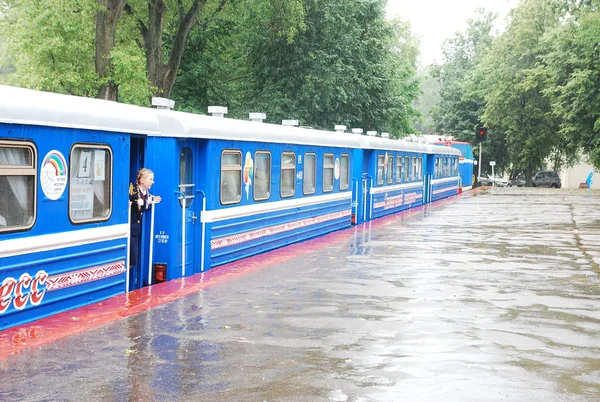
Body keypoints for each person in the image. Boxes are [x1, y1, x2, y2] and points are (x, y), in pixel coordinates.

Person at [129, 168, 162, 268]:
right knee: (131, 259)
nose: (153, 182)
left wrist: (149, 201)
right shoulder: (133, 189)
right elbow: (137, 204)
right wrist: (149, 201)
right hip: (131, 229)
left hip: (136, 229)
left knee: (134, 258)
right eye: (150, 179)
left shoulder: (146, 193)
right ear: (142, 181)